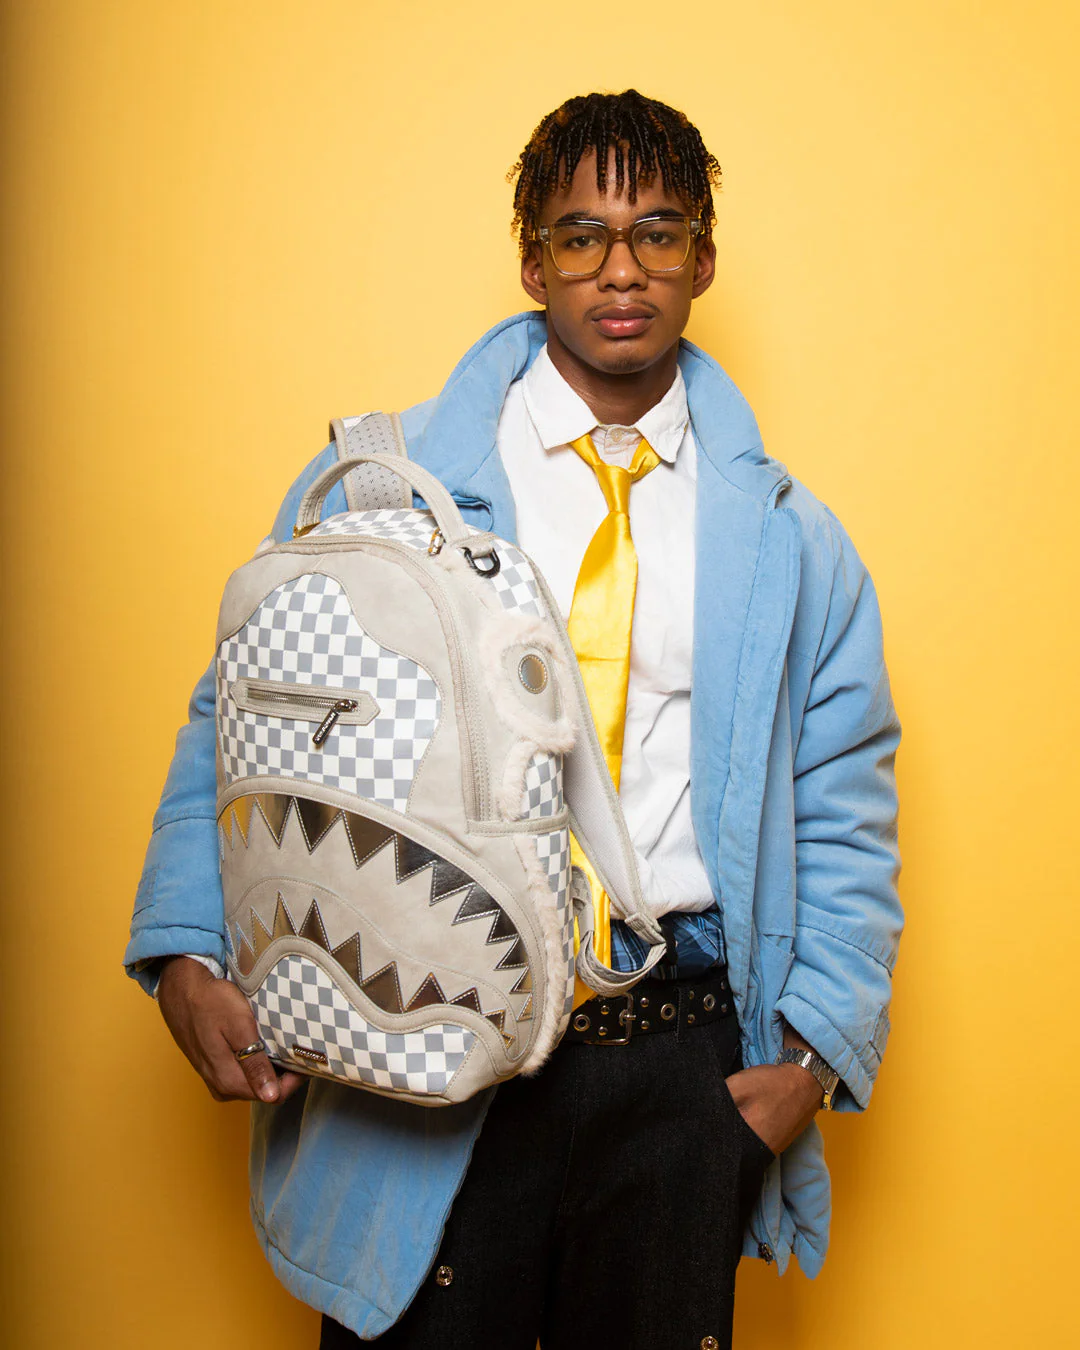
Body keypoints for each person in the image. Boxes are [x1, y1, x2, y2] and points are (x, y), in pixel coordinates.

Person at [125, 90, 903, 1349]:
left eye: (658, 233)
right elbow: (240, 715)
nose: (620, 271)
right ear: (533, 262)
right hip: (420, 1035)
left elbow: (847, 802)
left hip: (678, 1058)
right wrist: (184, 954)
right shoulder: (389, 488)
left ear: (703, 257)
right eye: (582, 235)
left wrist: (810, 1062)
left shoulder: (794, 543)